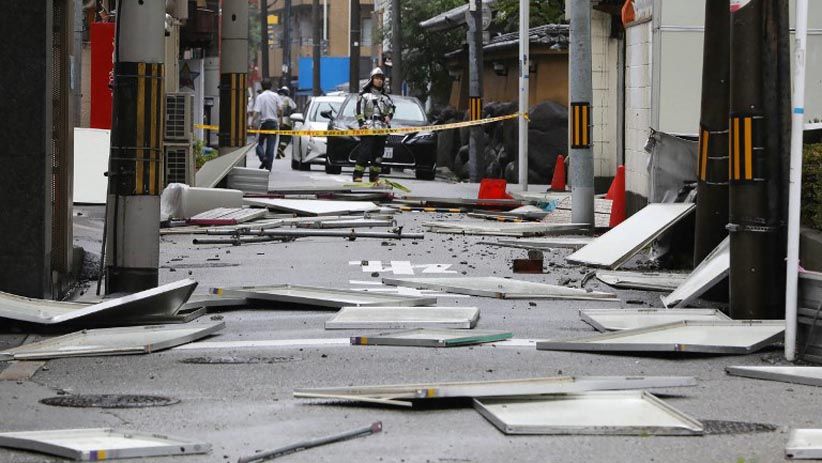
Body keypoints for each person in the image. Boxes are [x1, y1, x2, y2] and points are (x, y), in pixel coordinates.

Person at [353, 67, 395, 183]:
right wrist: (362, 123)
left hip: (381, 129)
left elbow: (391, 109)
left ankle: (374, 176)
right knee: (365, 153)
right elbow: (358, 111)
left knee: (378, 155)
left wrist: (389, 117)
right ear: (371, 80)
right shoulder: (364, 96)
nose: (379, 81)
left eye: (381, 78)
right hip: (368, 128)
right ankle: (358, 175)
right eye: (377, 78)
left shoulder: (386, 98)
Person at [252, 79, 283, 170]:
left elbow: (256, 112)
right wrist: (280, 121)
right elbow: (281, 109)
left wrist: (252, 122)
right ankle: (268, 165)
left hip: (264, 123)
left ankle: (263, 158)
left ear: (262, 86)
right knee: (271, 145)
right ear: (271, 86)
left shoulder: (260, 97)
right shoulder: (275, 95)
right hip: (273, 123)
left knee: (259, 144)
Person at [276, 86, 298, 159]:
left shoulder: (276, 98)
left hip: (276, 121)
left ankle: (277, 154)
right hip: (286, 121)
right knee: (287, 137)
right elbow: (294, 107)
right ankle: (281, 149)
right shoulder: (288, 99)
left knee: (280, 138)